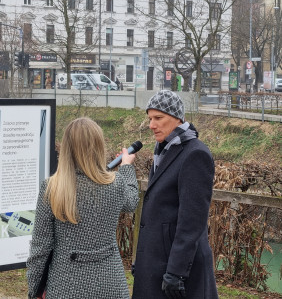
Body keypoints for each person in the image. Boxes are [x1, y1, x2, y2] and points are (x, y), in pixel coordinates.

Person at [27, 117, 139, 298]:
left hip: (66, 286)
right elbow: (132, 201)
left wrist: (35, 290)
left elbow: (40, 249)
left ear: (66, 148)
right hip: (111, 285)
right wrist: (126, 166)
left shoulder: (52, 188)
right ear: (99, 146)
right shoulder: (116, 183)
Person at [132, 90, 217, 298]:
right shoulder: (163, 150)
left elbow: (192, 221)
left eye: (158, 118)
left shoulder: (195, 154)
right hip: (157, 262)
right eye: (150, 118)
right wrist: (143, 258)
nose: (152, 125)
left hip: (180, 270)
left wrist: (176, 273)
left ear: (177, 118)